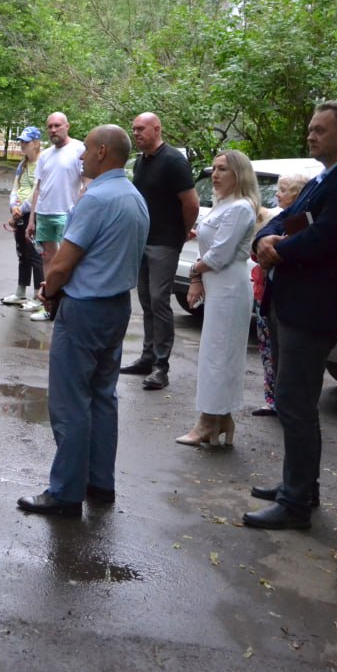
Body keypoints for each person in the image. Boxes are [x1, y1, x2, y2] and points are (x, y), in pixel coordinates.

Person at [244, 102, 337, 531]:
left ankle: (296, 502)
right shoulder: (326, 176)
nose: (311, 136)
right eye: (309, 129)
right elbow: (285, 217)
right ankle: (300, 485)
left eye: (320, 130)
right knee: (294, 400)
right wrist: (265, 240)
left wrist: (276, 251)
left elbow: (324, 239)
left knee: (296, 402)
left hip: (316, 308)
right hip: (294, 302)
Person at [17, 125, 148, 518]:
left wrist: (49, 291)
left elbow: (63, 262)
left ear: (103, 152)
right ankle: (99, 482)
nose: (81, 156)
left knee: (71, 402)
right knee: (103, 398)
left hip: (86, 308)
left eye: (87, 149)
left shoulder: (97, 199)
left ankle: (65, 492)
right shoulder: (134, 197)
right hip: (116, 307)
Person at [175, 150, 260, 447]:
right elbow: (214, 244)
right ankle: (221, 419)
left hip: (228, 287)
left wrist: (195, 274)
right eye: (214, 168)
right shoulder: (226, 205)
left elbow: (220, 255)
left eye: (223, 169)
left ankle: (208, 421)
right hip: (219, 285)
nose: (215, 174)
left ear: (239, 173)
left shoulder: (240, 208)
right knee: (216, 354)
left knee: (219, 355)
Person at [121, 112, 200, 390]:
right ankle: (146, 357)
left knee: (159, 301)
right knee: (145, 300)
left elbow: (191, 203)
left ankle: (160, 367)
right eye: (134, 129)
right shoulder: (142, 162)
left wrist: (180, 234)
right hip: (143, 241)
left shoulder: (174, 161)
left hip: (165, 243)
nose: (136, 133)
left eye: (141, 129)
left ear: (157, 128)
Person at [252, 172, 309, 416]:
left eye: (283, 190)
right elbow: (258, 247)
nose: (277, 194)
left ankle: (284, 401)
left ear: (297, 195)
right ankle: (272, 397)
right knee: (268, 349)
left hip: (281, 294)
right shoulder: (276, 217)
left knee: (284, 353)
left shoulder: (301, 219)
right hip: (264, 292)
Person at [25, 112, 84, 321]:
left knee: (66, 262)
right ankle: (50, 304)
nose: (53, 130)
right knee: (48, 261)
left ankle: (68, 306)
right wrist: (31, 219)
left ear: (67, 126)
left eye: (57, 126)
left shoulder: (78, 149)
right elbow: (38, 189)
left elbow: (86, 183)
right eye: (49, 126)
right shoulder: (46, 155)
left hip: (67, 214)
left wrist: (79, 212)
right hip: (44, 214)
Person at [0, 126, 44, 310]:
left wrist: (22, 209)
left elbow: (37, 190)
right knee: (22, 253)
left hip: (33, 213)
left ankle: (38, 295)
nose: (22, 145)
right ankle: (20, 292)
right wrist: (13, 207)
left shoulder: (42, 163)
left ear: (36, 143)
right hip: (19, 212)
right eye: (21, 141)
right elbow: (15, 187)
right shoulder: (22, 164)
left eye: (26, 142)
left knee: (35, 255)